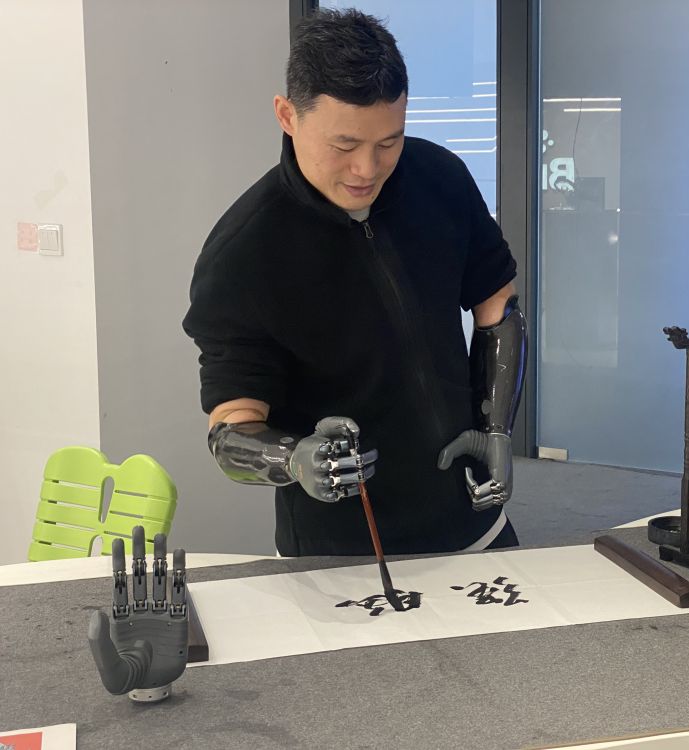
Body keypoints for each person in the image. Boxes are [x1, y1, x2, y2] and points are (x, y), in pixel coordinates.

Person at [182, 8, 527, 557]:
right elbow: (230, 427)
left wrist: (498, 429)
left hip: (469, 514)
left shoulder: (440, 178)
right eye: (343, 146)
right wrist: (294, 459)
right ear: (287, 115)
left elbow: (497, 303)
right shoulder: (244, 252)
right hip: (338, 549)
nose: (367, 169)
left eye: (389, 142)